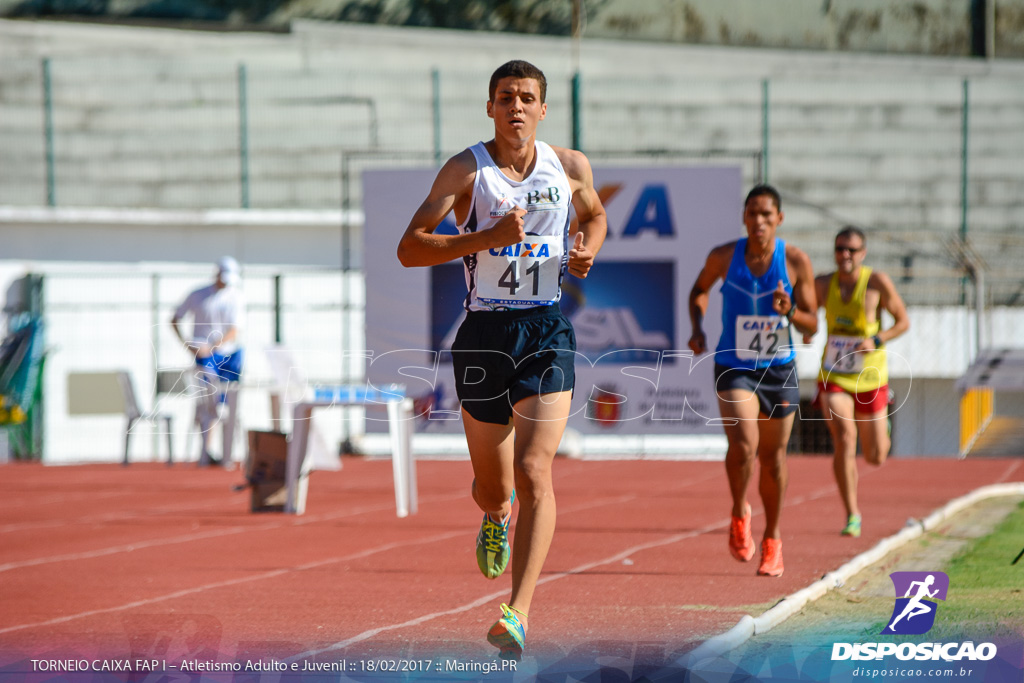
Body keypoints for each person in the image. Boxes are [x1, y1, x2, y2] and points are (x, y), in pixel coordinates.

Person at [397, 59, 607, 659]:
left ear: (543, 109)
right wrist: (484, 239)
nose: (516, 106)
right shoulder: (469, 170)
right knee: (496, 488)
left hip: (545, 329)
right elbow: (410, 249)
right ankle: (496, 514)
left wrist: (585, 248)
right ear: (490, 107)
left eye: (527, 98)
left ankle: (516, 613)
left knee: (537, 469)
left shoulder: (569, 167)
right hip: (484, 334)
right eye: (505, 97)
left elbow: (594, 215)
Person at [687, 184, 817, 578]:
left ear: (779, 219)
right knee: (745, 444)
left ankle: (773, 539)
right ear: (744, 218)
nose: (758, 221)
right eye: (752, 214)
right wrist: (697, 327)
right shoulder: (725, 256)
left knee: (773, 459)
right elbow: (698, 291)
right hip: (735, 364)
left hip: (779, 369)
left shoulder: (794, 261)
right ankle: (740, 509)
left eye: (766, 215)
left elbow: (812, 322)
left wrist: (790, 310)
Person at [806, 226, 909, 537]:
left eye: (851, 250)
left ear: (863, 253)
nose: (845, 255)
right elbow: (809, 316)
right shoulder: (824, 283)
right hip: (834, 373)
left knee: (876, 455)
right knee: (845, 438)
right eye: (840, 249)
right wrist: (807, 329)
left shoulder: (876, 282)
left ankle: (883, 426)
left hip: (870, 375)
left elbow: (903, 321)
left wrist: (877, 338)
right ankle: (852, 514)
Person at [170, 256, 246, 467]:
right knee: (209, 405)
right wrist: (188, 345)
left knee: (229, 405)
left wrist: (213, 346)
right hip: (205, 357)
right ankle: (206, 452)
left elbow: (234, 330)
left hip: (229, 355)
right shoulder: (198, 295)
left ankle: (227, 454)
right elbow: (174, 319)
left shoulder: (236, 297)